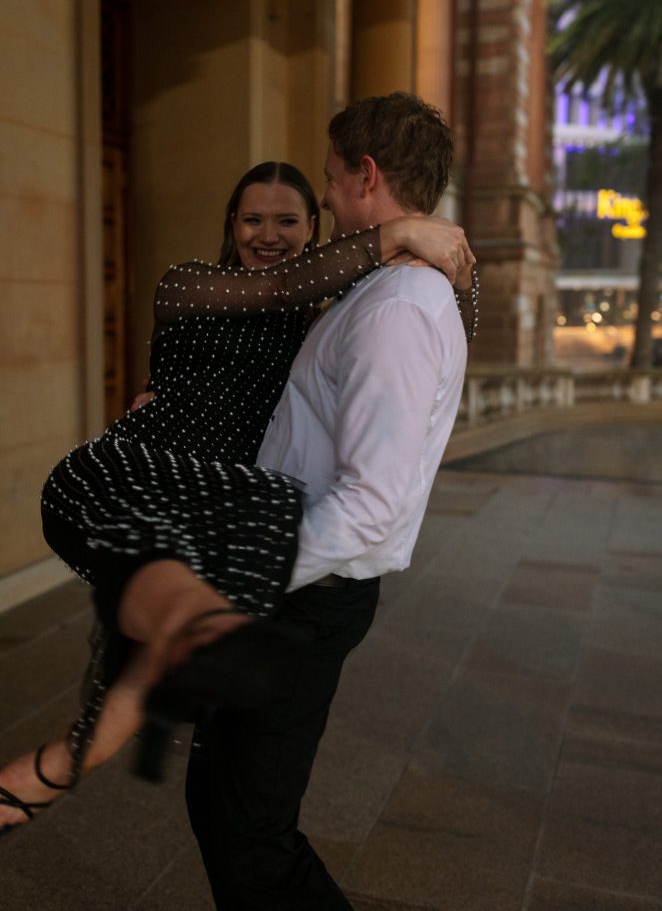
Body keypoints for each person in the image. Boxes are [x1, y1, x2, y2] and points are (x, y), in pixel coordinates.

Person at [0, 158, 475, 833]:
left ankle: (49, 772)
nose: (268, 234)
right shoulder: (189, 283)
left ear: (314, 227)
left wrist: (453, 260)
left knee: (151, 640)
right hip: (139, 470)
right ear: (231, 224)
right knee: (147, 597)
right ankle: (73, 752)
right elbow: (277, 286)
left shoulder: (325, 320)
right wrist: (402, 229)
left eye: (288, 221)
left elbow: (421, 350)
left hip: (221, 502)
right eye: (253, 219)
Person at [184, 93, 476, 910]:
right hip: (289, 586)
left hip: (303, 596)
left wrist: (234, 580)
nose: (325, 197)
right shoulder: (379, 287)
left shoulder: (397, 313)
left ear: (365, 175)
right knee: (220, 801)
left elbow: (370, 505)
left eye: (327, 179)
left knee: (252, 837)